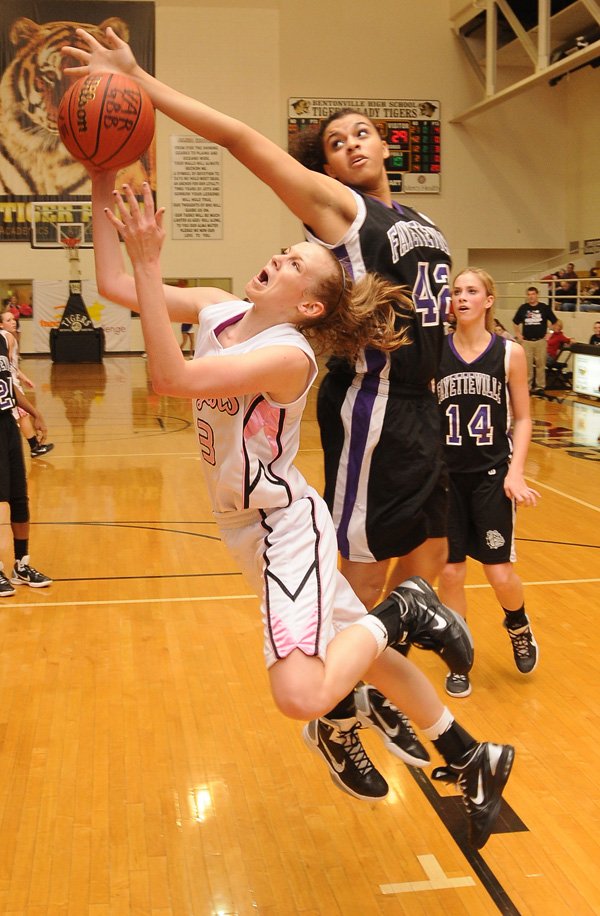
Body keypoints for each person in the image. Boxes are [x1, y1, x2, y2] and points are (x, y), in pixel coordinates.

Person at [61, 25, 453, 800]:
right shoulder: (343, 224)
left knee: (401, 569)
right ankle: (349, 706)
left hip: (414, 407)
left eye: (364, 132)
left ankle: (375, 705)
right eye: (335, 142)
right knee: (363, 588)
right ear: (321, 179)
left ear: (389, 146)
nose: (353, 143)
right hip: (376, 405)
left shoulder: (416, 222)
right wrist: (119, 135)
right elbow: (240, 138)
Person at [88, 173, 512, 849]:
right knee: (363, 657)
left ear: (310, 308)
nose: (282, 257)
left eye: (296, 264)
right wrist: (100, 172)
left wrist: (149, 262)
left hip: (284, 527)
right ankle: (469, 754)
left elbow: (171, 381)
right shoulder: (219, 312)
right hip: (244, 529)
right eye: (285, 251)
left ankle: (405, 609)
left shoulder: (287, 356)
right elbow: (113, 283)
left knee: (301, 694)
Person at [437, 269, 540, 697]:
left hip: (492, 477)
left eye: (471, 291)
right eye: (456, 291)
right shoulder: (434, 352)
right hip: (445, 480)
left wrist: (516, 472)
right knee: (451, 572)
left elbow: (523, 417)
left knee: (499, 573)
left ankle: (517, 622)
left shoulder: (509, 353)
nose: (462, 297)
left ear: (488, 300)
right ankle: (460, 657)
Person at [0, 328, 53, 596]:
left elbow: (10, 385)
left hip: (7, 425)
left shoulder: (5, 340)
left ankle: (21, 565)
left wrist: (35, 412)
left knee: (19, 498)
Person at [0, 310, 55, 457]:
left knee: (21, 416)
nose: (13, 322)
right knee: (19, 416)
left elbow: (12, 366)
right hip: (8, 385)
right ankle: (33, 447)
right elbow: (7, 365)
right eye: (8, 320)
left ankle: (33, 446)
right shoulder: (8, 337)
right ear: (1, 325)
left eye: (13, 319)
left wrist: (23, 378)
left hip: (10, 382)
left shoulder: (9, 337)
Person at [512, 287, 558, 393]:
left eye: (533, 294)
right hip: (527, 341)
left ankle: (540, 386)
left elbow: (555, 321)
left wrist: (549, 333)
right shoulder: (523, 308)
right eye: (529, 294)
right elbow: (515, 322)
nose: (531, 296)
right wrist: (518, 334)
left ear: (537, 295)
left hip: (540, 341)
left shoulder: (544, 308)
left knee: (540, 365)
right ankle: (527, 386)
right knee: (527, 366)